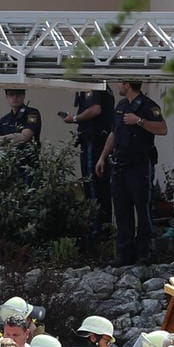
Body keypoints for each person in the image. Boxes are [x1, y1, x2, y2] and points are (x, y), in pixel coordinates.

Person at [94, 81, 168, 265]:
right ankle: (125, 254)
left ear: (127, 84)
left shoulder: (148, 106)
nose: (118, 85)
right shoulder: (121, 106)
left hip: (139, 165)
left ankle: (146, 252)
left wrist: (139, 121)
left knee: (143, 210)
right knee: (122, 210)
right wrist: (102, 157)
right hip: (120, 165)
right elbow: (114, 133)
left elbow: (163, 128)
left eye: (120, 82)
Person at [62, 84, 115, 243]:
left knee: (93, 185)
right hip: (99, 141)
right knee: (101, 187)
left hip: (94, 141)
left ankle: (97, 231)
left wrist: (74, 119)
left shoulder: (93, 86)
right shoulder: (103, 86)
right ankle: (104, 229)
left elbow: (95, 109)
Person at [0, 86, 42, 167]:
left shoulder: (32, 113)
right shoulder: (5, 119)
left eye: (18, 94)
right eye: (11, 94)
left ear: (24, 95)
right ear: (7, 97)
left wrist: (2, 140)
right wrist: (11, 138)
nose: (15, 97)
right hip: (9, 165)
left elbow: (25, 137)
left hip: (28, 165)